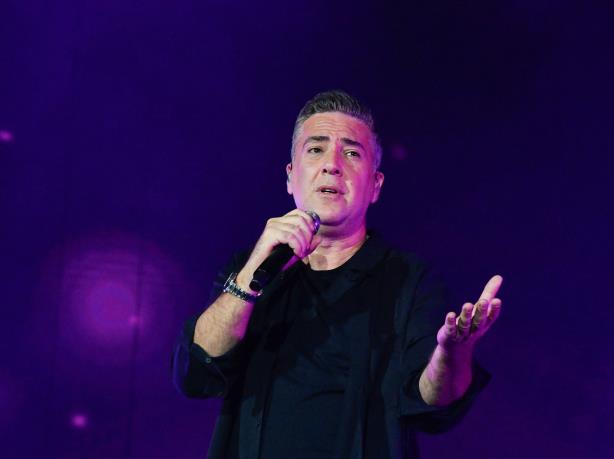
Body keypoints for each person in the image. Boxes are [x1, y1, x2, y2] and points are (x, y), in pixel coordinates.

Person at [172, 90, 503, 459]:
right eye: (316, 149)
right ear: (290, 177)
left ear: (375, 185)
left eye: (351, 153)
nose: (332, 165)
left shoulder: (409, 279)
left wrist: (453, 352)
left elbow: (432, 404)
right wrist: (252, 273)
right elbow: (195, 374)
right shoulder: (250, 267)